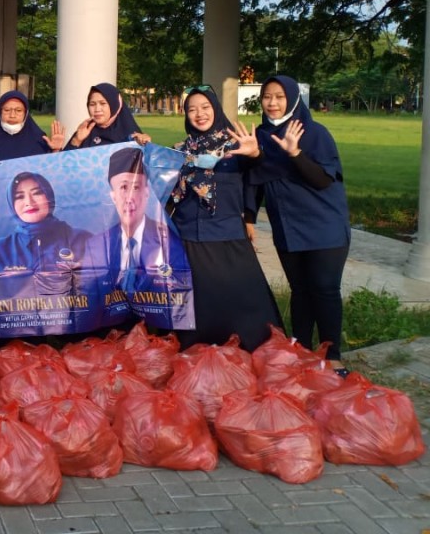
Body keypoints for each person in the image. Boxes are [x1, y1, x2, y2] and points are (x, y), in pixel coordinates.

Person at [242, 75, 350, 371]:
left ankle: (332, 354)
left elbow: (322, 179)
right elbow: (256, 181)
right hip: (287, 226)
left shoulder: (314, 132)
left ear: (292, 98)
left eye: (279, 96)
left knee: (324, 289)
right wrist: (249, 216)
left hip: (324, 225)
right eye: (267, 97)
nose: (272, 103)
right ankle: (301, 350)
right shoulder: (261, 135)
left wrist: (295, 153)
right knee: (300, 290)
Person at [167, 86, 282, 351]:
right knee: (197, 305)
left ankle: (247, 348)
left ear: (216, 109)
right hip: (189, 238)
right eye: (192, 109)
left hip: (227, 235)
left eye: (205, 107)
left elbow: (258, 174)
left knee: (241, 302)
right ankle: (195, 351)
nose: (199, 114)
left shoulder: (236, 148)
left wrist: (255, 154)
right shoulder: (179, 151)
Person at [0, 171, 92, 293]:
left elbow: (98, 289)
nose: (29, 202)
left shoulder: (83, 240)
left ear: (49, 197)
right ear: (12, 205)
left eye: (37, 193)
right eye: (19, 197)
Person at [90, 147, 189, 297]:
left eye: (136, 187)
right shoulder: (95, 245)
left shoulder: (167, 241)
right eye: (123, 187)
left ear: (147, 192)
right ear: (113, 196)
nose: (129, 198)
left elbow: (177, 293)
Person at [0, 90, 65, 166]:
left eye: (18, 110)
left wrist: (56, 151)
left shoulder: (39, 139)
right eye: (7, 110)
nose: (12, 115)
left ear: (26, 114)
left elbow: (52, 172)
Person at [64, 82, 150, 149]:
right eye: (92, 104)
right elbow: (63, 167)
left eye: (103, 103)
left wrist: (144, 144)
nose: (97, 109)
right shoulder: (85, 132)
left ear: (114, 105)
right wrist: (76, 141)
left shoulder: (132, 136)